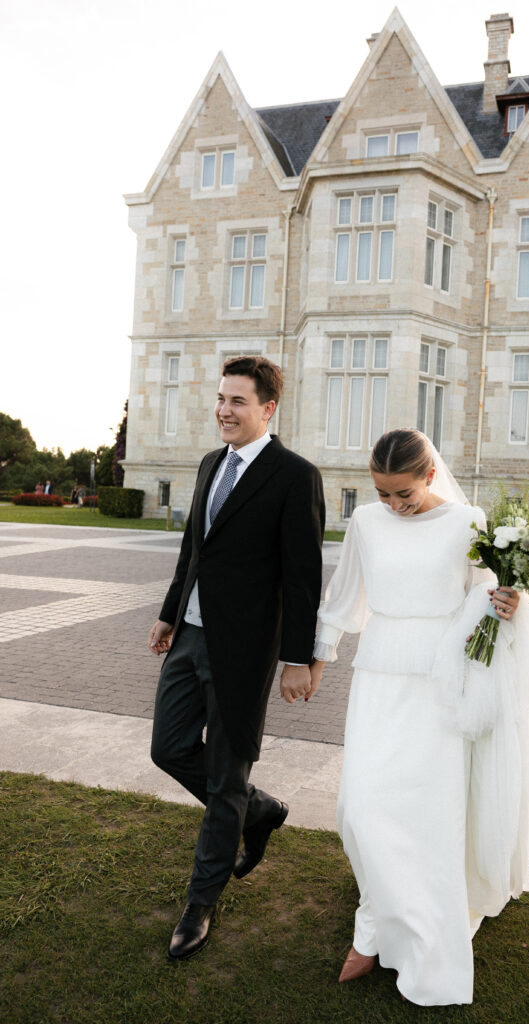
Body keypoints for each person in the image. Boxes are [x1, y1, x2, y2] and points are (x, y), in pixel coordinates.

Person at [305, 429, 529, 1006]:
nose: (393, 506)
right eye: (382, 494)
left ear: (429, 476)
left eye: (402, 494)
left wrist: (509, 602)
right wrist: (315, 664)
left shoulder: (467, 523)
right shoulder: (366, 523)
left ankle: (398, 936)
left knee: (428, 816)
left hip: (441, 684)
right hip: (379, 677)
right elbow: (344, 596)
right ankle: (379, 913)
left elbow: (487, 597)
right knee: (358, 808)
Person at [148, 355, 325, 961]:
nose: (224, 411)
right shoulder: (207, 464)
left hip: (245, 651)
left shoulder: (294, 476)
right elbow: (191, 549)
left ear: (268, 408)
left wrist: (298, 659)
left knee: (225, 776)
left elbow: (304, 578)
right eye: (221, 399)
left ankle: (200, 901)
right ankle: (261, 808)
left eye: (237, 402)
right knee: (167, 747)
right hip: (191, 637)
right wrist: (170, 612)